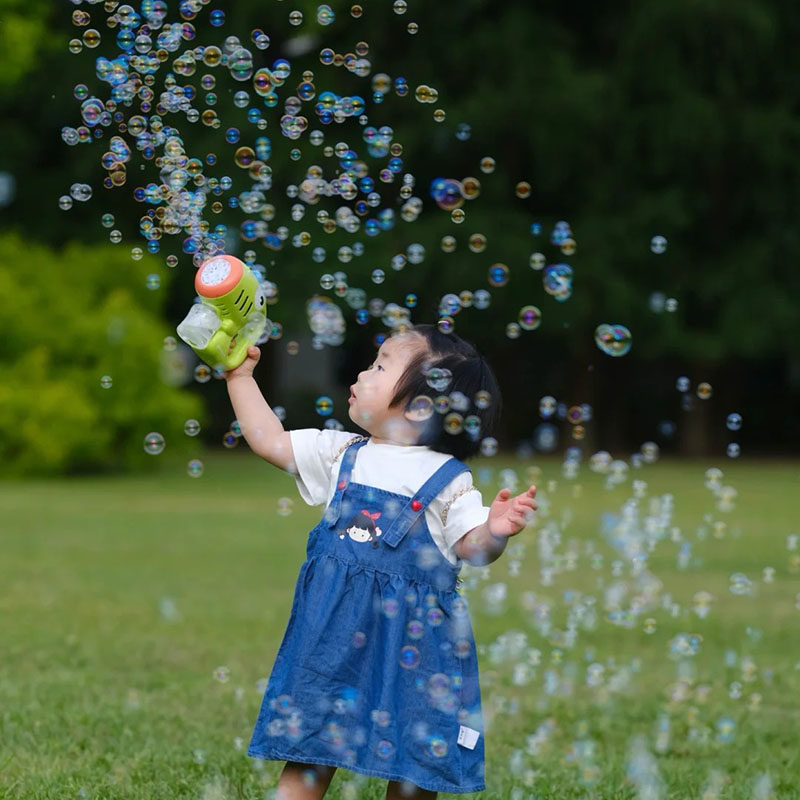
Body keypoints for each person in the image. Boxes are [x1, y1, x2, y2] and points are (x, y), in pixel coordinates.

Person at [225, 323, 538, 800]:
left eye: (380, 366)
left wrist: (494, 531)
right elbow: (270, 439)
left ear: (419, 404)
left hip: (417, 646)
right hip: (331, 636)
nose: (363, 373)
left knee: (415, 762)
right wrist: (239, 378)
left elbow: (472, 548)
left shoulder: (450, 481)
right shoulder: (341, 454)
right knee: (309, 748)